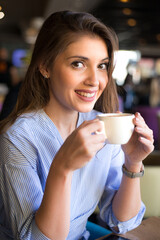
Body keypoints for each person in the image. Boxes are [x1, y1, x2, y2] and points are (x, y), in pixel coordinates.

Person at [0, 10, 154, 240]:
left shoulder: (103, 125)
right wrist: (62, 168)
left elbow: (122, 222)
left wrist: (132, 163)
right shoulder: (19, 137)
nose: (94, 80)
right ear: (45, 66)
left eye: (102, 65)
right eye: (78, 63)